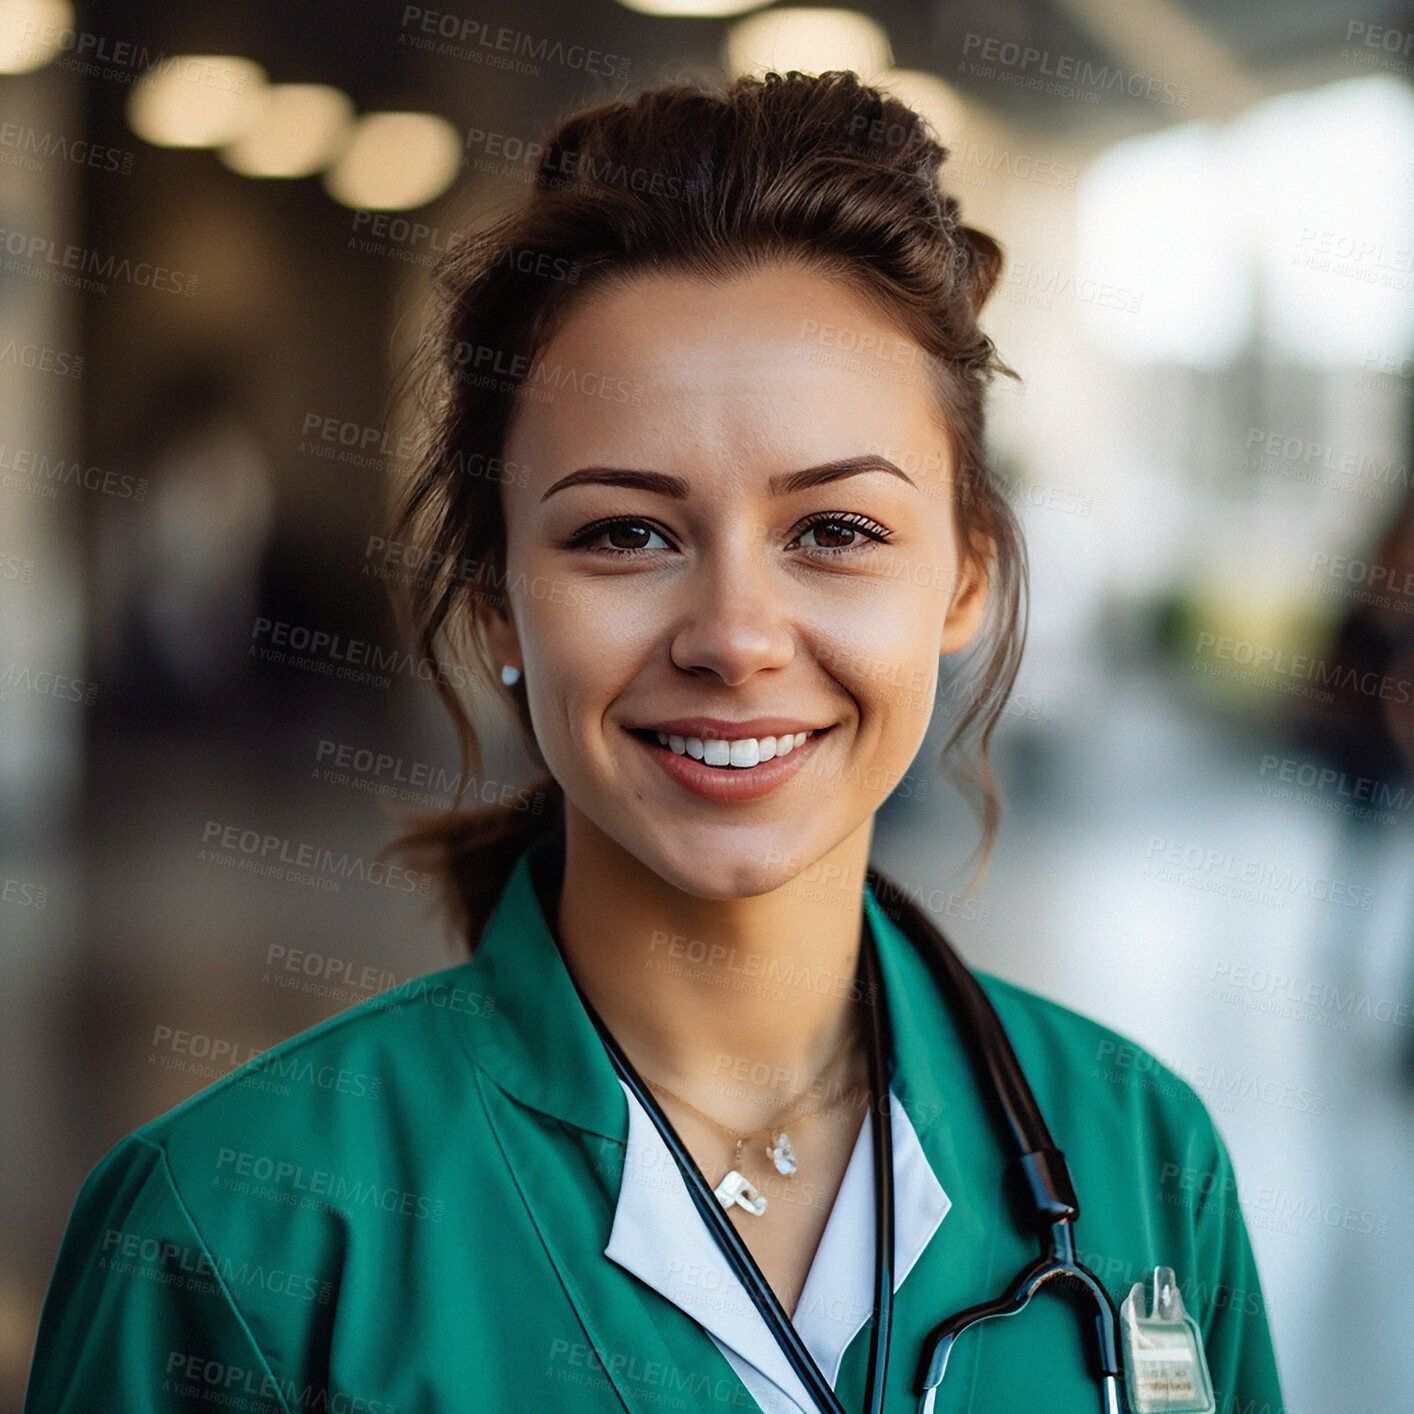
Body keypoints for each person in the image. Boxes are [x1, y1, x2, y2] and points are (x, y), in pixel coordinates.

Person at [24, 71, 1286, 1414]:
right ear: (496, 596)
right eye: (624, 531)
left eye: (835, 531)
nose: (734, 635)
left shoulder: (1145, 1157)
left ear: (964, 575)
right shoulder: (237, 1231)